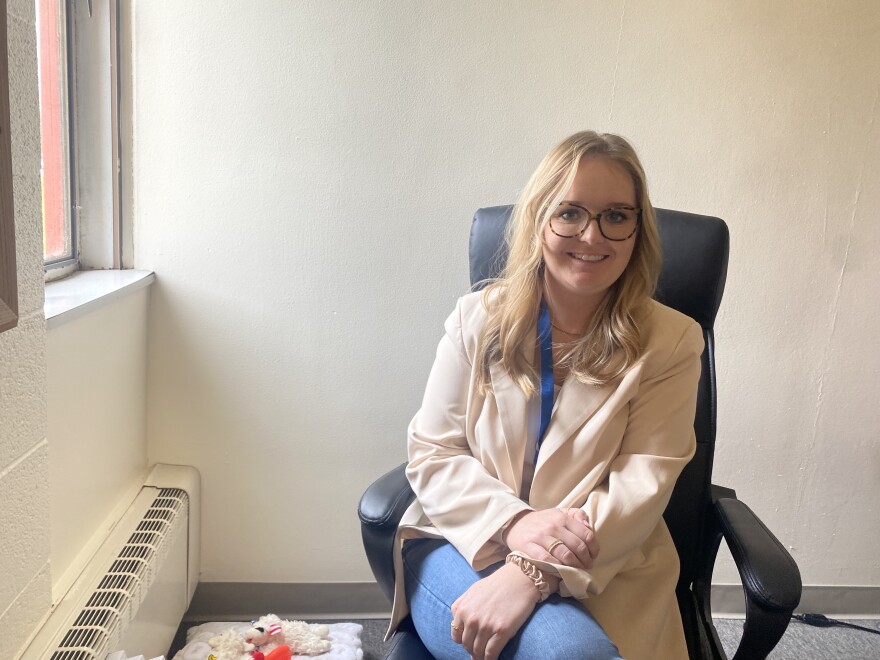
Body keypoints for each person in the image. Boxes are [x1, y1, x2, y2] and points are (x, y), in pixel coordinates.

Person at [388, 131, 703, 660]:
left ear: (637, 230)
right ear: (540, 219)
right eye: (570, 212)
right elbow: (432, 451)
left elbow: (640, 485)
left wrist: (534, 571)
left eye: (617, 216)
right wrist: (515, 524)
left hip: (604, 560)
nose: (591, 235)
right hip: (467, 539)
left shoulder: (670, 342)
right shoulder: (477, 319)